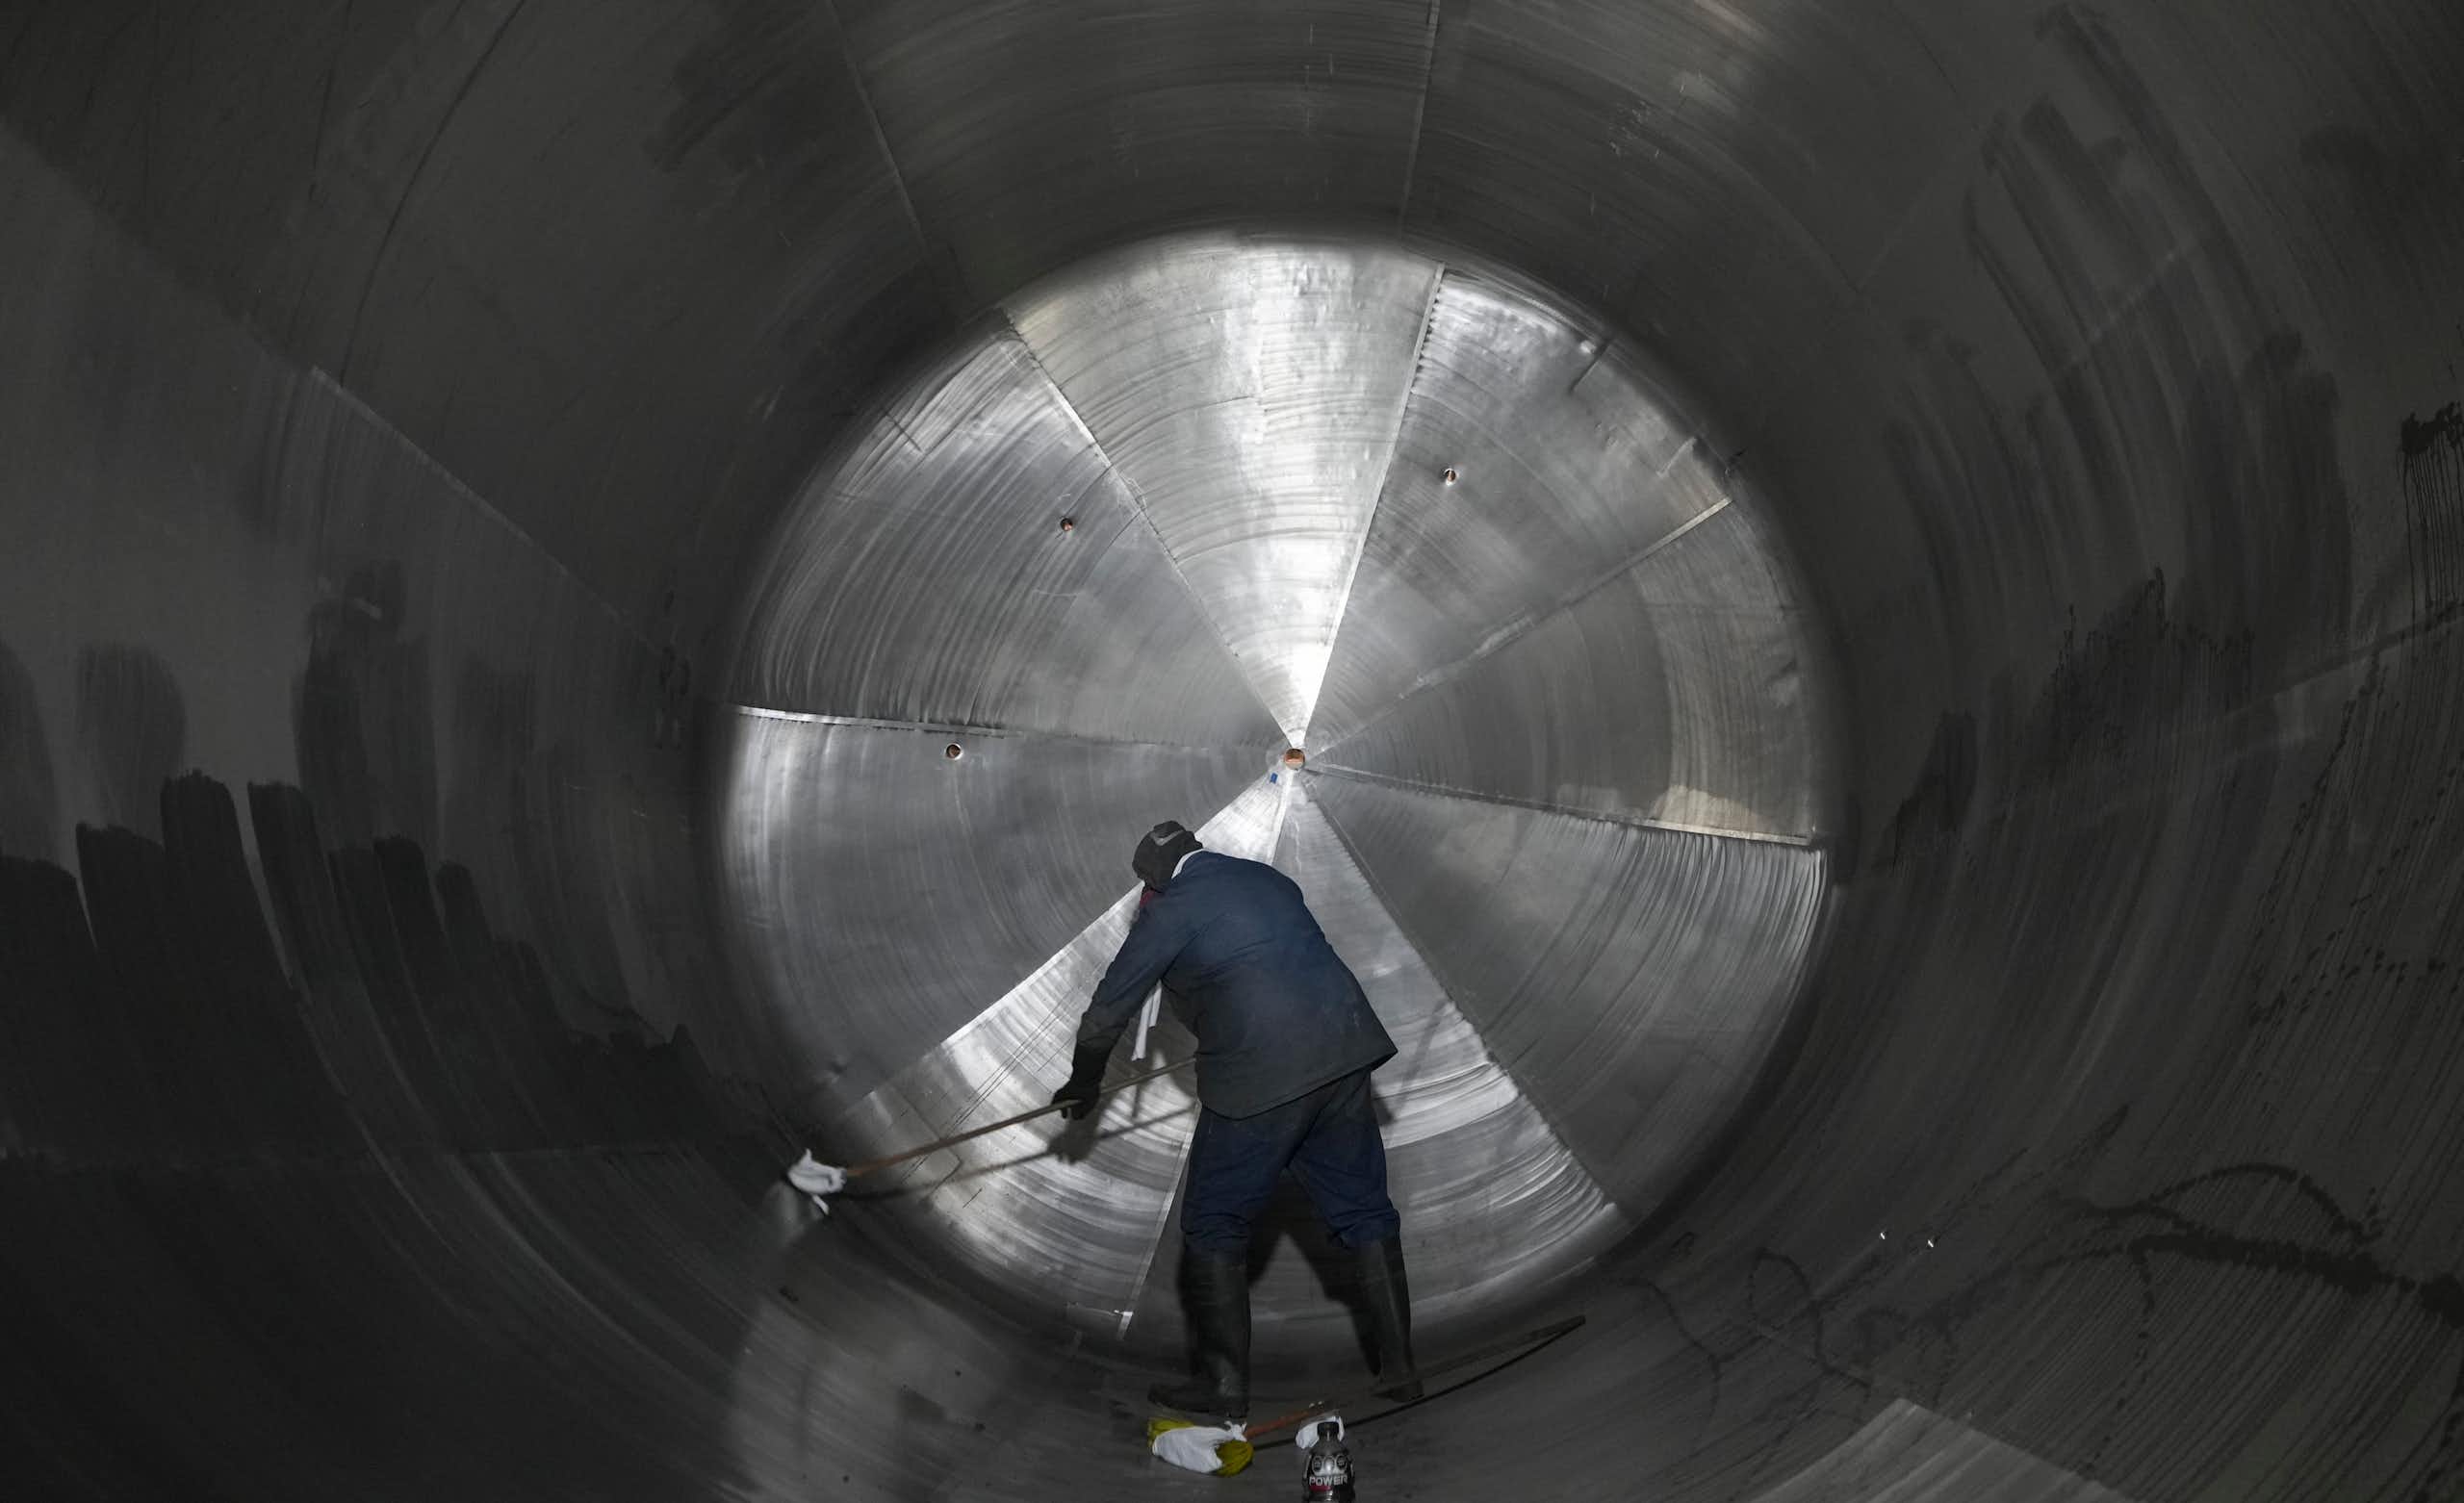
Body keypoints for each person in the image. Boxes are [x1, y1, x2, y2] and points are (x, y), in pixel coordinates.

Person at [1053, 819, 1422, 1421]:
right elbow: (1266, 969)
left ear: (1153, 880)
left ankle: (1224, 1388)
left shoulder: (1169, 909)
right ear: (1195, 850)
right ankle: (1403, 1371)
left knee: (1213, 1222)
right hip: (1344, 1055)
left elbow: (1106, 1013)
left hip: (1262, 1081)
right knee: (1363, 1209)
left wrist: (1085, 1080)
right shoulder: (1267, 879)